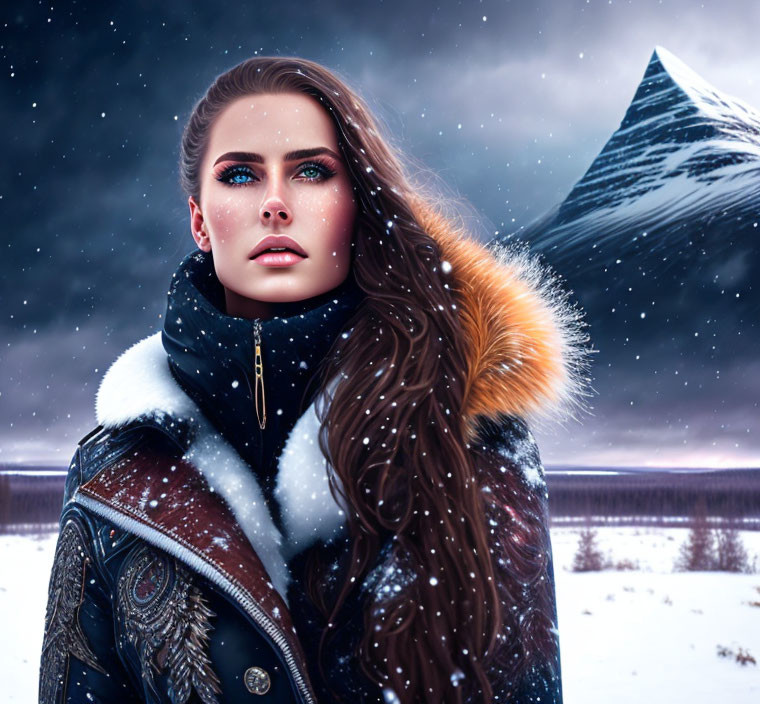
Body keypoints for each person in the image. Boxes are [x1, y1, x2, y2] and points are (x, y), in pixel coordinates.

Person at [38, 56, 591, 704]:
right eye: (241, 174)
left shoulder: (473, 438)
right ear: (198, 219)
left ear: (357, 206)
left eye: (311, 171)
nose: (276, 203)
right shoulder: (116, 473)